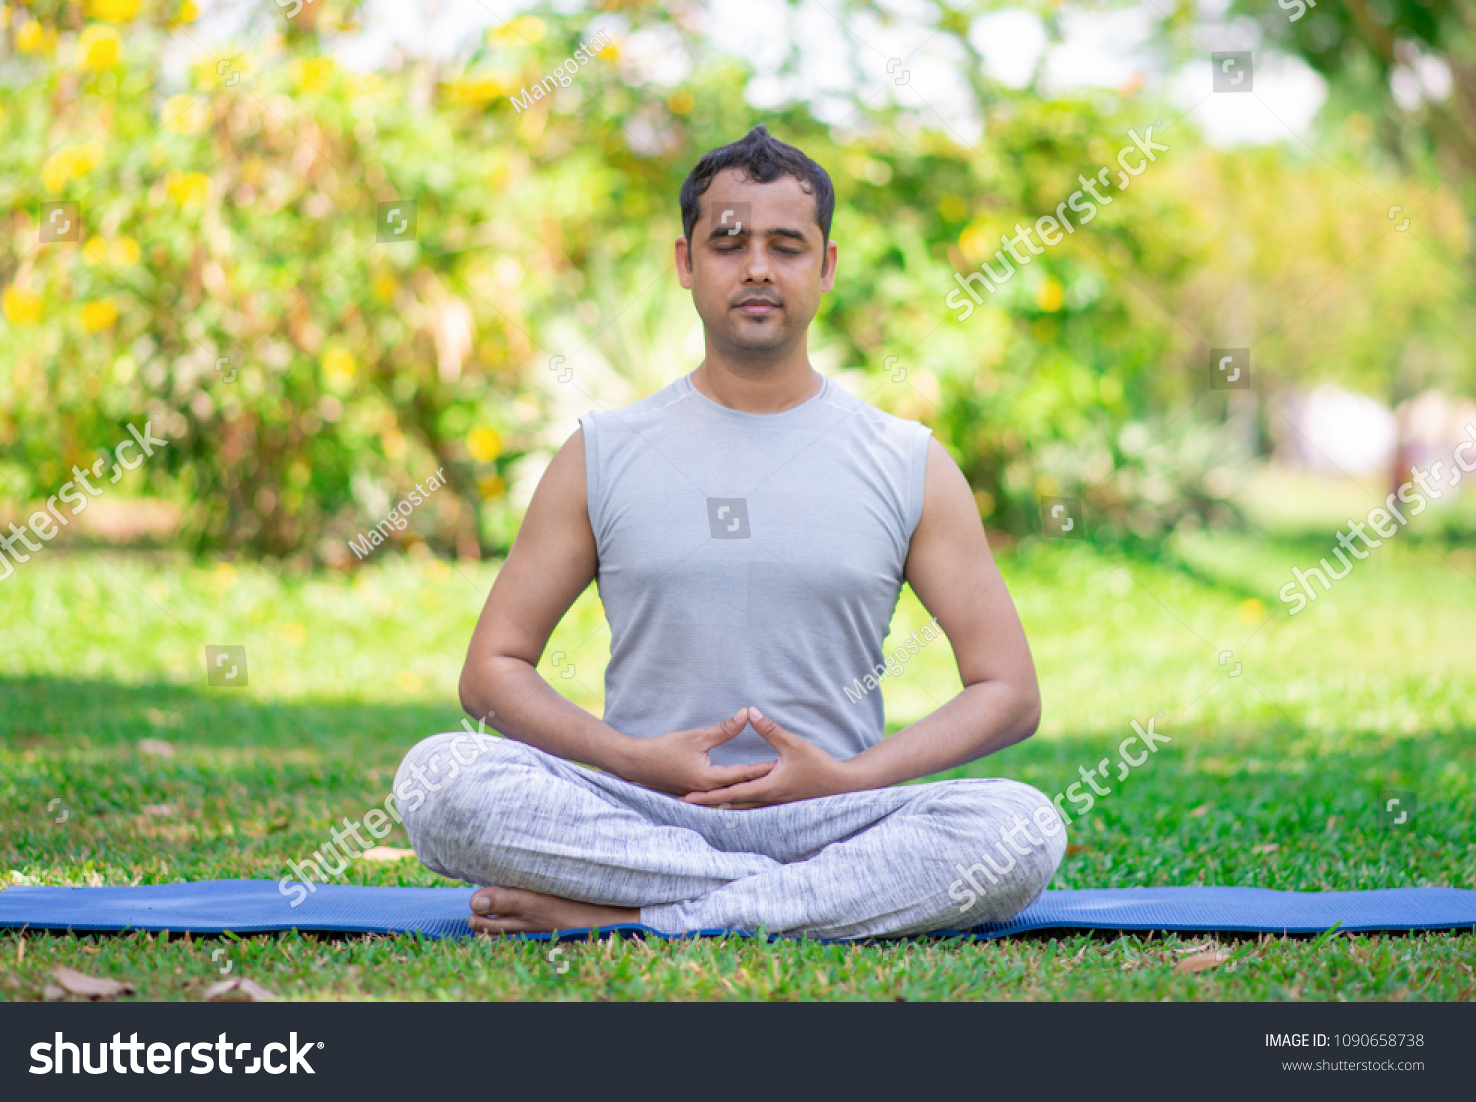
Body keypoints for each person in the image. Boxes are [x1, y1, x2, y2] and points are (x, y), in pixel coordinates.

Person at [394, 125, 1066, 939]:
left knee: (1023, 825)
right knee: (439, 777)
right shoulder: (601, 452)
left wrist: (848, 779)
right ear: (686, 264)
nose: (756, 267)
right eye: (727, 243)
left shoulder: (906, 460)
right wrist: (632, 759)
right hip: (642, 812)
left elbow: (1009, 691)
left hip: (835, 818)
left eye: (787, 246)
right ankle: (788, 903)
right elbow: (490, 673)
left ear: (826, 269)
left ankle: (637, 914)